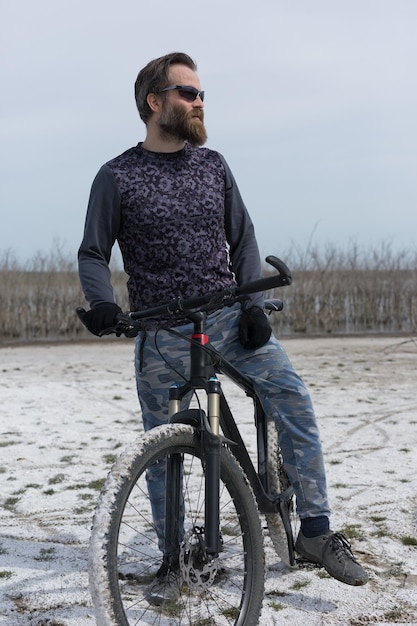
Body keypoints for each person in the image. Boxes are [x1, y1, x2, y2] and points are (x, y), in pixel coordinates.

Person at [78, 51, 368, 603]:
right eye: (188, 92)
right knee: (161, 448)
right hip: (161, 332)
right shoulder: (117, 175)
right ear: (154, 101)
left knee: (293, 399)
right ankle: (173, 557)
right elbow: (93, 252)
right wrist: (101, 304)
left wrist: (254, 305)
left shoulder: (213, 165)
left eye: (202, 93)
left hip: (232, 318)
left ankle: (315, 531)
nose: (199, 101)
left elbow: (244, 236)